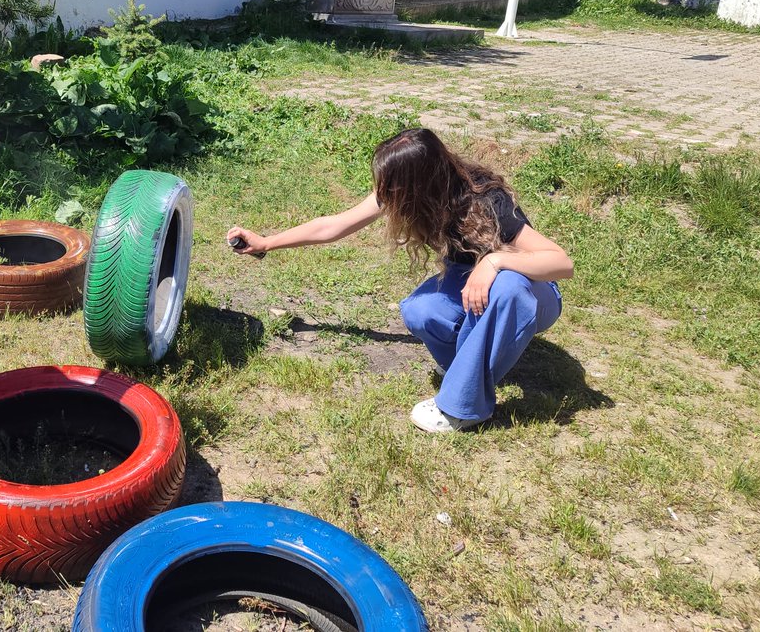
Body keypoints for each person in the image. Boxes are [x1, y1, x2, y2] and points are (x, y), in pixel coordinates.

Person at [228, 127, 573, 434]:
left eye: (390, 185)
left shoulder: (486, 200)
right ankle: (475, 370)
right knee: (422, 310)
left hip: (532, 292)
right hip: (473, 280)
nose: (382, 192)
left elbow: (561, 263)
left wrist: (496, 261)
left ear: (419, 184)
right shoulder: (415, 189)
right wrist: (266, 243)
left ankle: (462, 408)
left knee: (509, 286)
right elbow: (334, 225)